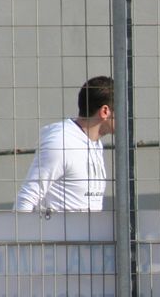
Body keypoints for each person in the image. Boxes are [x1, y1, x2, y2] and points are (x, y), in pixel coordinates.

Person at [15, 75, 115, 212]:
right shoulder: (61, 142)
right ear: (105, 111)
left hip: (87, 226)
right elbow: (26, 199)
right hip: (56, 227)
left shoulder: (95, 143)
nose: (127, 116)